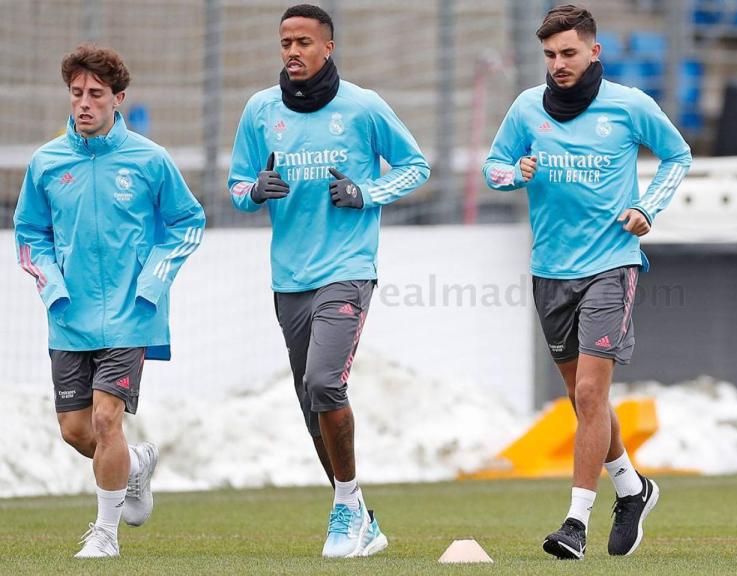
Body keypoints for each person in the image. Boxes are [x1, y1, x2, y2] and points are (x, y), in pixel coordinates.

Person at [482, 4, 691, 560]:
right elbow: (493, 167)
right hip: (550, 270)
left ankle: (575, 523)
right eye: (549, 55)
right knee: (582, 399)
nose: (558, 64)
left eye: (568, 53)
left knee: (594, 392)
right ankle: (632, 487)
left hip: (611, 264)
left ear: (594, 52)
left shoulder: (628, 105)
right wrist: (513, 174)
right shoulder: (527, 107)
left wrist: (649, 207)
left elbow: (677, 154)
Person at [227, 3, 429, 559]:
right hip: (289, 277)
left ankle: (344, 510)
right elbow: (238, 184)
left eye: (304, 42)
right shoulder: (260, 110)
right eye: (285, 42)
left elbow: (416, 165)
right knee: (309, 401)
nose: (292, 51)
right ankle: (358, 509)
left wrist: (369, 192)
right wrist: (255, 190)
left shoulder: (363, 106)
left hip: (347, 269)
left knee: (323, 382)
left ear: (328, 47)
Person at [14, 44, 205, 558]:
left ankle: (105, 534)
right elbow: (30, 233)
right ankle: (136, 466)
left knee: (105, 419)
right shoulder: (46, 162)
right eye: (76, 93)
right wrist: (52, 286)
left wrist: (153, 281)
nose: (84, 103)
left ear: (118, 99)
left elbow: (188, 224)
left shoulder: (150, 159)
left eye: (96, 94)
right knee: (77, 430)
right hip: (69, 317)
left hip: (131, 314)